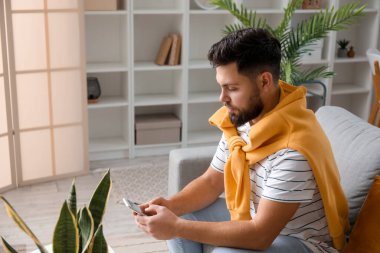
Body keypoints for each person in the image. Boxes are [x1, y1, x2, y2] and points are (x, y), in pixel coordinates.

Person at [133, 28, 349, 253]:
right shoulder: (244, 120)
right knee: (182, 213)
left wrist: (176, 227)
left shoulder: (294, 149)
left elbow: (260, 235)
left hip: (302, 242)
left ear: (265, 81)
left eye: (232, 88)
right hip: (255, 216)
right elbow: (210, 182)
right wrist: (170, 206)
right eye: (221, 87)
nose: (222, 98)